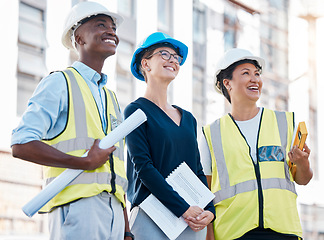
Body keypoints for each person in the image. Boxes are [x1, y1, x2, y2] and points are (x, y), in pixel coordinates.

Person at [11, 2, 134, 240]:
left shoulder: (111, 98)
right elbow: (20, 143)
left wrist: (126, 228)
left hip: (115, 215)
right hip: (79, 209)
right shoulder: (60, 82)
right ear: (78, 37)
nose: (111, 32)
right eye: (101, 25)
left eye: (113, 27)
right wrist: (83, 161)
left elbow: (115, 171)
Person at [199, 48, 313, 240]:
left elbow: (303, 179)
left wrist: (303, 163)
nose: (255, 79)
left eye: (257, 74)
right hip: (233, 233)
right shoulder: (211, 134)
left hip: (283, 231)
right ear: (227, 83)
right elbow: (204, 195)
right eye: (246, 73)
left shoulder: (284, 123)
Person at [124, 31, 215, 240]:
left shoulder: (189, 119)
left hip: (191, 220)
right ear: (145, 64)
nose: (172, 60)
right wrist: (182, 208)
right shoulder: (135, 112)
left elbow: (198, 170)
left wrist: (210, 210)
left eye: (176, 57)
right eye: (164, 54)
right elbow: (144, 168)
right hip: (152, 217)